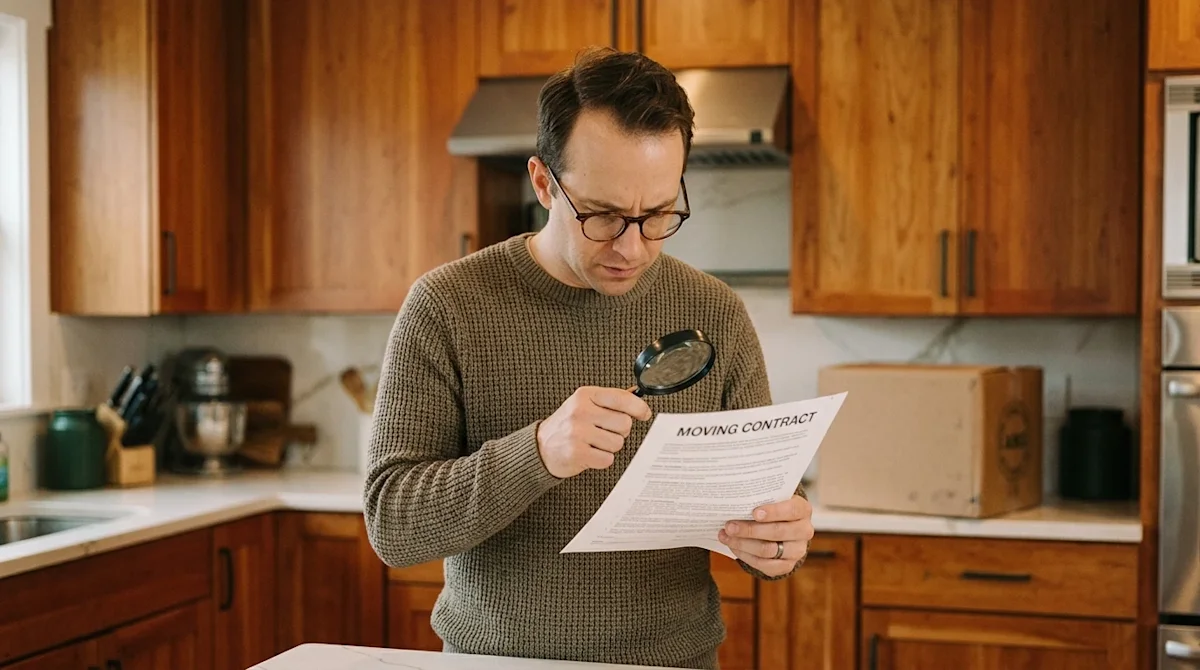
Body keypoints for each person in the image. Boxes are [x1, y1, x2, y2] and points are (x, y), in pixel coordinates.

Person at [363, 46, 813, 670]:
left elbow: (759, 511)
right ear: (543, 182)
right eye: (601, 216)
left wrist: (777, 544)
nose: (632, 247)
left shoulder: (715, 312)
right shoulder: (448, 306)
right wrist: (539, 452)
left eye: (657, 215)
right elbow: (393, 523)